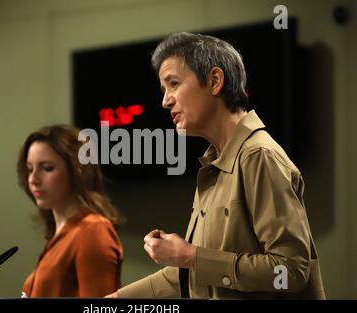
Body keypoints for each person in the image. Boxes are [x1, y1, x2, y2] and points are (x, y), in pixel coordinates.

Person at [107, 32, 325, 299]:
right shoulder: (215, 163)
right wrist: (114, 301)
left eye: (173, 84)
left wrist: (191, 256)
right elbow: (191, 274)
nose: (165, 101)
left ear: (214, 81)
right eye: (164, 90)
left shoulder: (259, 156)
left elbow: (290, 270)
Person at [18, 124, 123, 297]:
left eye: (47, 168)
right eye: (30, 169)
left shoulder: (92, 230)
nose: (33, 179)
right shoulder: (61, 235)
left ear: (76, 170)